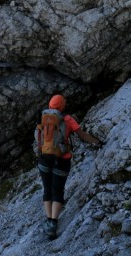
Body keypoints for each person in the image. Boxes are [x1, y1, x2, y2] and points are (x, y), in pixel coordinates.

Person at [35, 94, 101, 239]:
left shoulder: (43, 117)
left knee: (47, 190)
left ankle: (48, 220)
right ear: (62, 105)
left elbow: (38, 138)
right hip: (61, 160)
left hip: (44, 159)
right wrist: (98, 142)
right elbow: (82, 135)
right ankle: (53, 222)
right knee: (58, 190)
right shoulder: (67, 119)